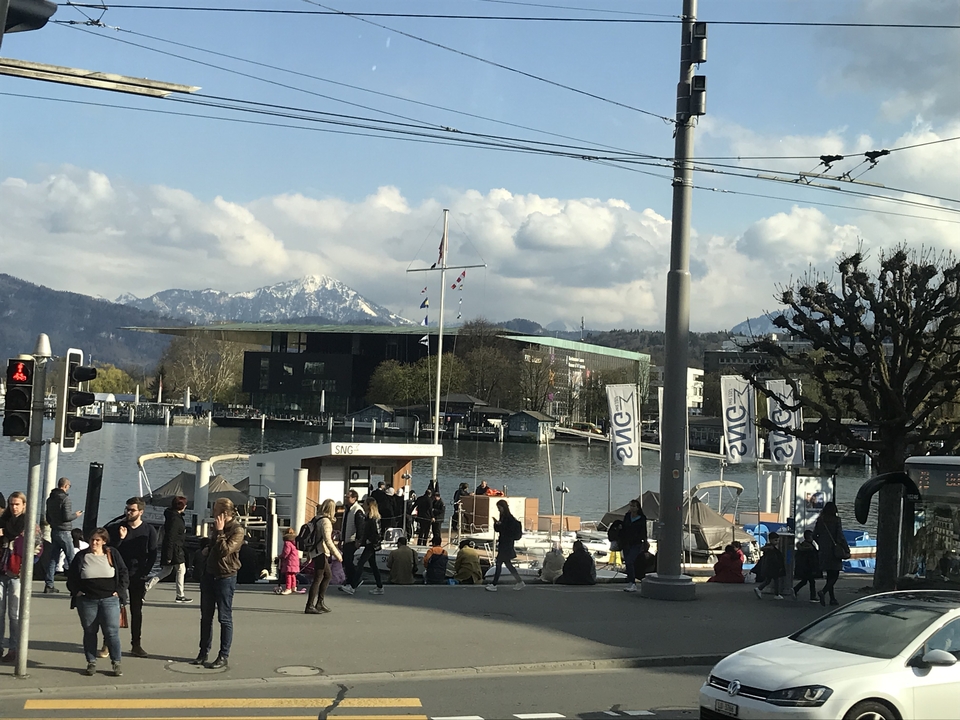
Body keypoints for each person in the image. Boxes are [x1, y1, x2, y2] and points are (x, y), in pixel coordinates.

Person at [66, 527, 129, 677]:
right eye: (92, 540)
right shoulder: (82, 556)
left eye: (97, 540)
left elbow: (123, 572)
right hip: (87, 600)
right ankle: (91, 662)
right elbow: (72, 577)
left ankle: (116, 662)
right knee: (89, 632)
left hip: (109, 599)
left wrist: (119, 591)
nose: (94, 543)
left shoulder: (112, 553)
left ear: (104, 541)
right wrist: (77, 592)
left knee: (112, 632)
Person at [194, 498, 244, 669]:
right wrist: (208, 548)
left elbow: (224, 551)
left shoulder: (237, 530)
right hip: (210, 574)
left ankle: (223, 655)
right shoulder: (216, 526)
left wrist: (221, 531)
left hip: (226, 576)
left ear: (224, 513)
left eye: (215, 509)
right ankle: (203, 652)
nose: (212, 512)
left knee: (224, 617)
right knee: (206, 617)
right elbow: (214, 546)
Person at [107, 497, 157, 658]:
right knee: (113, 609)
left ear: (140, 512)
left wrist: (145, 572)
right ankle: (107, 643)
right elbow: (110, 550)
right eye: (127, 509)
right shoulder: (118, 528)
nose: (128, 512)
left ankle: (136, 644)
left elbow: (153, 553)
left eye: (132, 510)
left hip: (137, 575)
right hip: (119, 575)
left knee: (136, 610)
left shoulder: (149, 530)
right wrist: (120, 539)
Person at [0, 492, 29, 664]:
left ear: (24, 505)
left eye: (17, 504)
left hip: (17, 574)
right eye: (11, 504)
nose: (14, 507)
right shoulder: (4, 520)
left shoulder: (27, 524)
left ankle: (14, 648)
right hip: (1, 571)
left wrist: (24, 565)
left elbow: (37, 549)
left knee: (14, 613)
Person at [149, 496, 192, 603]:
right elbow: (170, 538)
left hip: (173, 549)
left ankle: (145, 587)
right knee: (181, 570)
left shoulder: (171, 515)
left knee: (166, 571)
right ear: (182, 506)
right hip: (175, 549)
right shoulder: (175, 519)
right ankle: (180, 595)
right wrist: (168, 556)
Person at [44, 477, 82, 593]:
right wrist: (76, 515)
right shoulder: (66, 499)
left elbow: (48, 516)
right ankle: (76, 585)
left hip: (54, 531)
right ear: (66, 486)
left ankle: (49, 584)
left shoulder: (50, 499)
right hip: (64, 532)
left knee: (53, 559)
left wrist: (53, 524)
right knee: (72, 559)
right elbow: (66, 517)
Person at [341, 497, 383, 596]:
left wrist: (370, 541)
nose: (363, 505)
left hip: (371, 545)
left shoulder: (373, 518)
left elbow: (377, 533)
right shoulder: (368, 517)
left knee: (360, 564)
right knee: (373, 566)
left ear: (369, 505)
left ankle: (353, 586)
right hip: (369, 544)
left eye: (365, 503)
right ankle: (380, 586)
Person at [305, 499, 341, 614]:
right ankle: (311, 605)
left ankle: (319, 603)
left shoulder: (316, 518)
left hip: (314, 551)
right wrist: (337, 554)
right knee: (320, 577)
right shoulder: (326, 522)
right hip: (320, 551)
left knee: (325, 575)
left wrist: (308, 553)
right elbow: (328, 540)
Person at [485, 499, 524, 591]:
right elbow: (501, 529)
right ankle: (519, 581)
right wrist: (497, 524)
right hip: (506, 543)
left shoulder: (508, 519)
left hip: (506, 544)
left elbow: (505, 530)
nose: (499, 510)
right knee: (507, 564)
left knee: (499, 563)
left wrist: (498, 524)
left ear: (503, 508)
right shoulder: (506, 517)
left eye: (499, 508)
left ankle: (494, 584)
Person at [814, 501, 847, 606]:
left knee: (829, 575)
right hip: (834, 551)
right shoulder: (837, 520)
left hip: (824, 551)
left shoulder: (821, 520)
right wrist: (845, 547)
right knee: (835, 574)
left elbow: (815, 535)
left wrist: (822, 544)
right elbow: (840, 536)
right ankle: (823, 592)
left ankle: (832, 598)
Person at [620, 498, 648, 592]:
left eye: (634, 506)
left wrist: (645, 541)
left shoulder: (642, 518)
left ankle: (632, 582)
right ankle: (630, 582)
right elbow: (624, 527)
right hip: (626, 542)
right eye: (630, 506)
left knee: (630, 561)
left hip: (636, 543)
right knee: (627, 561)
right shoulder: (627, 516)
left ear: (638, 508)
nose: (632, 508)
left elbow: (644, 531)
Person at [339, 490, 364, 586]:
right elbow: (344, 525)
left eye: (348, 497)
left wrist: (358, 540)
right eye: (345, 496)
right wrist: (341, 538)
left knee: (349, 561)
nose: (346, 498)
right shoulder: (347, 509)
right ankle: (350, 579)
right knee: (346, 561)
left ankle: (354, 579)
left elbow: (360, 526)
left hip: (352, 540)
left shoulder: (357, 510)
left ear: (354, 498)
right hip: (346, 539)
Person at [753, 532, 786, 600]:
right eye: (775, 540)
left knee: (768, 580)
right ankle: (776, 594)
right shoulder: (771, 548)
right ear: (771, 540)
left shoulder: (769, 548)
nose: (777, 542)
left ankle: (759, 588)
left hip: (769, 567)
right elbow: (774, 558)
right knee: (776, 580)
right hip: (773, 567)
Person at [793, 530, 821, 602]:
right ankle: (813, 597)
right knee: (812, 581)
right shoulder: (810, 547)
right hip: (809, 567)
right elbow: (812, 559)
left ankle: (795, 589)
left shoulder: (803, 545)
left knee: (805, 581)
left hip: (804, 567)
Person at [277, 528, 301, 595]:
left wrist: (281, 556)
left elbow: (286, 552)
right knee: (293, 575)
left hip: (289, 561)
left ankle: (288, 588)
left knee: (288, 574)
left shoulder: (287, 542)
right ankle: (294, 587)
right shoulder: (294, 542)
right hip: (295, 560)